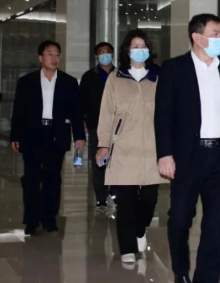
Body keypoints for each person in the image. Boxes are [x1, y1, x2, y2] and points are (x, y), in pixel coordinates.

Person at [154, 13, 220, 283]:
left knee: (215, 223)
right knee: (179, 219)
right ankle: (181, 270)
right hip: (188, 156)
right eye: (215, 33)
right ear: (197, 37)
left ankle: (206, 278)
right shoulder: (174, 68)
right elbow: (163, 115)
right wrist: (165, 154)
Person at [94, 30, 166, 267]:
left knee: (149, 200)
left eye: (143, 45)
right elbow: (106, 113)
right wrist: (103, 144)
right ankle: (127, 248)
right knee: (125, 202)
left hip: (152, 150)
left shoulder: (159, 76)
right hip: (123, 148)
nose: (139, 50)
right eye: (135, 46)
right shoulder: (116, 78)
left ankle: (140, 228)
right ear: (127, 50)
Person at [10, 40, 86, 237]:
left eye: (57, 54)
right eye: (50, 54)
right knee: (31, 179)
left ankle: (49, 219)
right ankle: (31, 220)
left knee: (52, 179)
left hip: (56, 135)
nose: (54, 58)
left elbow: (76, 111)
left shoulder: (69, 82)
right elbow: (18, 111)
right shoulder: (26, 82)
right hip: (32, 135)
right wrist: (15, 136)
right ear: (40, 58)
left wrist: (79, 136)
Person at [79, 42, 115, 212]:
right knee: (99, 162)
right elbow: (82, 101)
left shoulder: (120, 74)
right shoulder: (89, 76)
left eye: (108, 52)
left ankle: (115, 195)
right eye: (101, 53)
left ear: (113, 54)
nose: (105, 55)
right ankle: (101, 198)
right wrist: (82, 120)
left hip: (118, 126)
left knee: (117, 161)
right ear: (96, 56)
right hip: (96, 125)